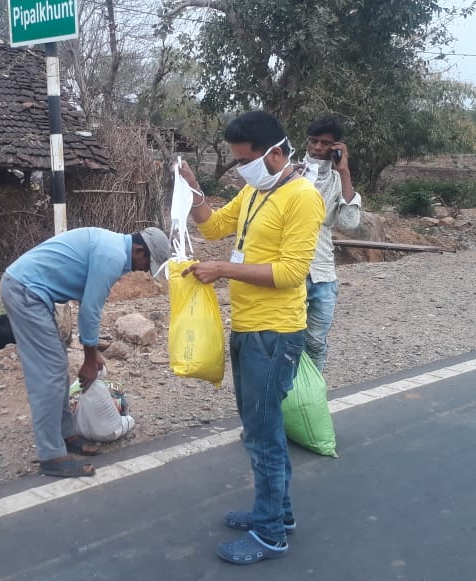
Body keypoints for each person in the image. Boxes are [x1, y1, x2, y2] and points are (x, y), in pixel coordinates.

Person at [177, 111, 324, 565]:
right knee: (259, 427)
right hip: (247, 325)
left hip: (275, 332)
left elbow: (291, 272)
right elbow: (214, 226)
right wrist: (192, 186)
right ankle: (277, 512)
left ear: (275, 152)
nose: (242, 168)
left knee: (262, 434)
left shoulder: (302, 198)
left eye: (246, 159)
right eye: (238, 162)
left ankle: (269, 534)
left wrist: (222, 269)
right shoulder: (257, 190)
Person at [0, 226, 170, 478]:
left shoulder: (111, 248)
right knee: (48, 376)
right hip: (26, 291)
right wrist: (89, 358)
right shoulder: (112, 256)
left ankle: (66, 435)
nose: (144, 270)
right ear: (138, 250)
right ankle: (51, 455)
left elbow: (87, 302)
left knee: (57, 369)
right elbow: (90, 309)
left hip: (31, 291)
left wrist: (92, 354)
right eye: (146, 262)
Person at [298, 115, 361, 372]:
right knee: (289, 340)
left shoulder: (336, 181)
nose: (317, 148)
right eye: (313, 141)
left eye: (325, 144)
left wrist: (344, 171)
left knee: (315, 342)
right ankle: (288, 394)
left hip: (322, 273)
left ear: (336, 147)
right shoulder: (291, 173)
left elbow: (349, 221)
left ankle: (312, 395)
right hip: (291, 271)